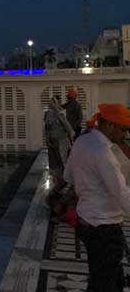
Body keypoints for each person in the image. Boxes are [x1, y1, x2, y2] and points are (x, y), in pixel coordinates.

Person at [65, 103, 130, 292]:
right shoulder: (102, 152)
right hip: (104, 227)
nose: (125, 135)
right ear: (109, 125)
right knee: (104, 282)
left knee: (104, 274)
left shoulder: (82, 141)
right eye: (123, 129)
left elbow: (69, 176)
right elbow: (121, 193)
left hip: (85, 221)